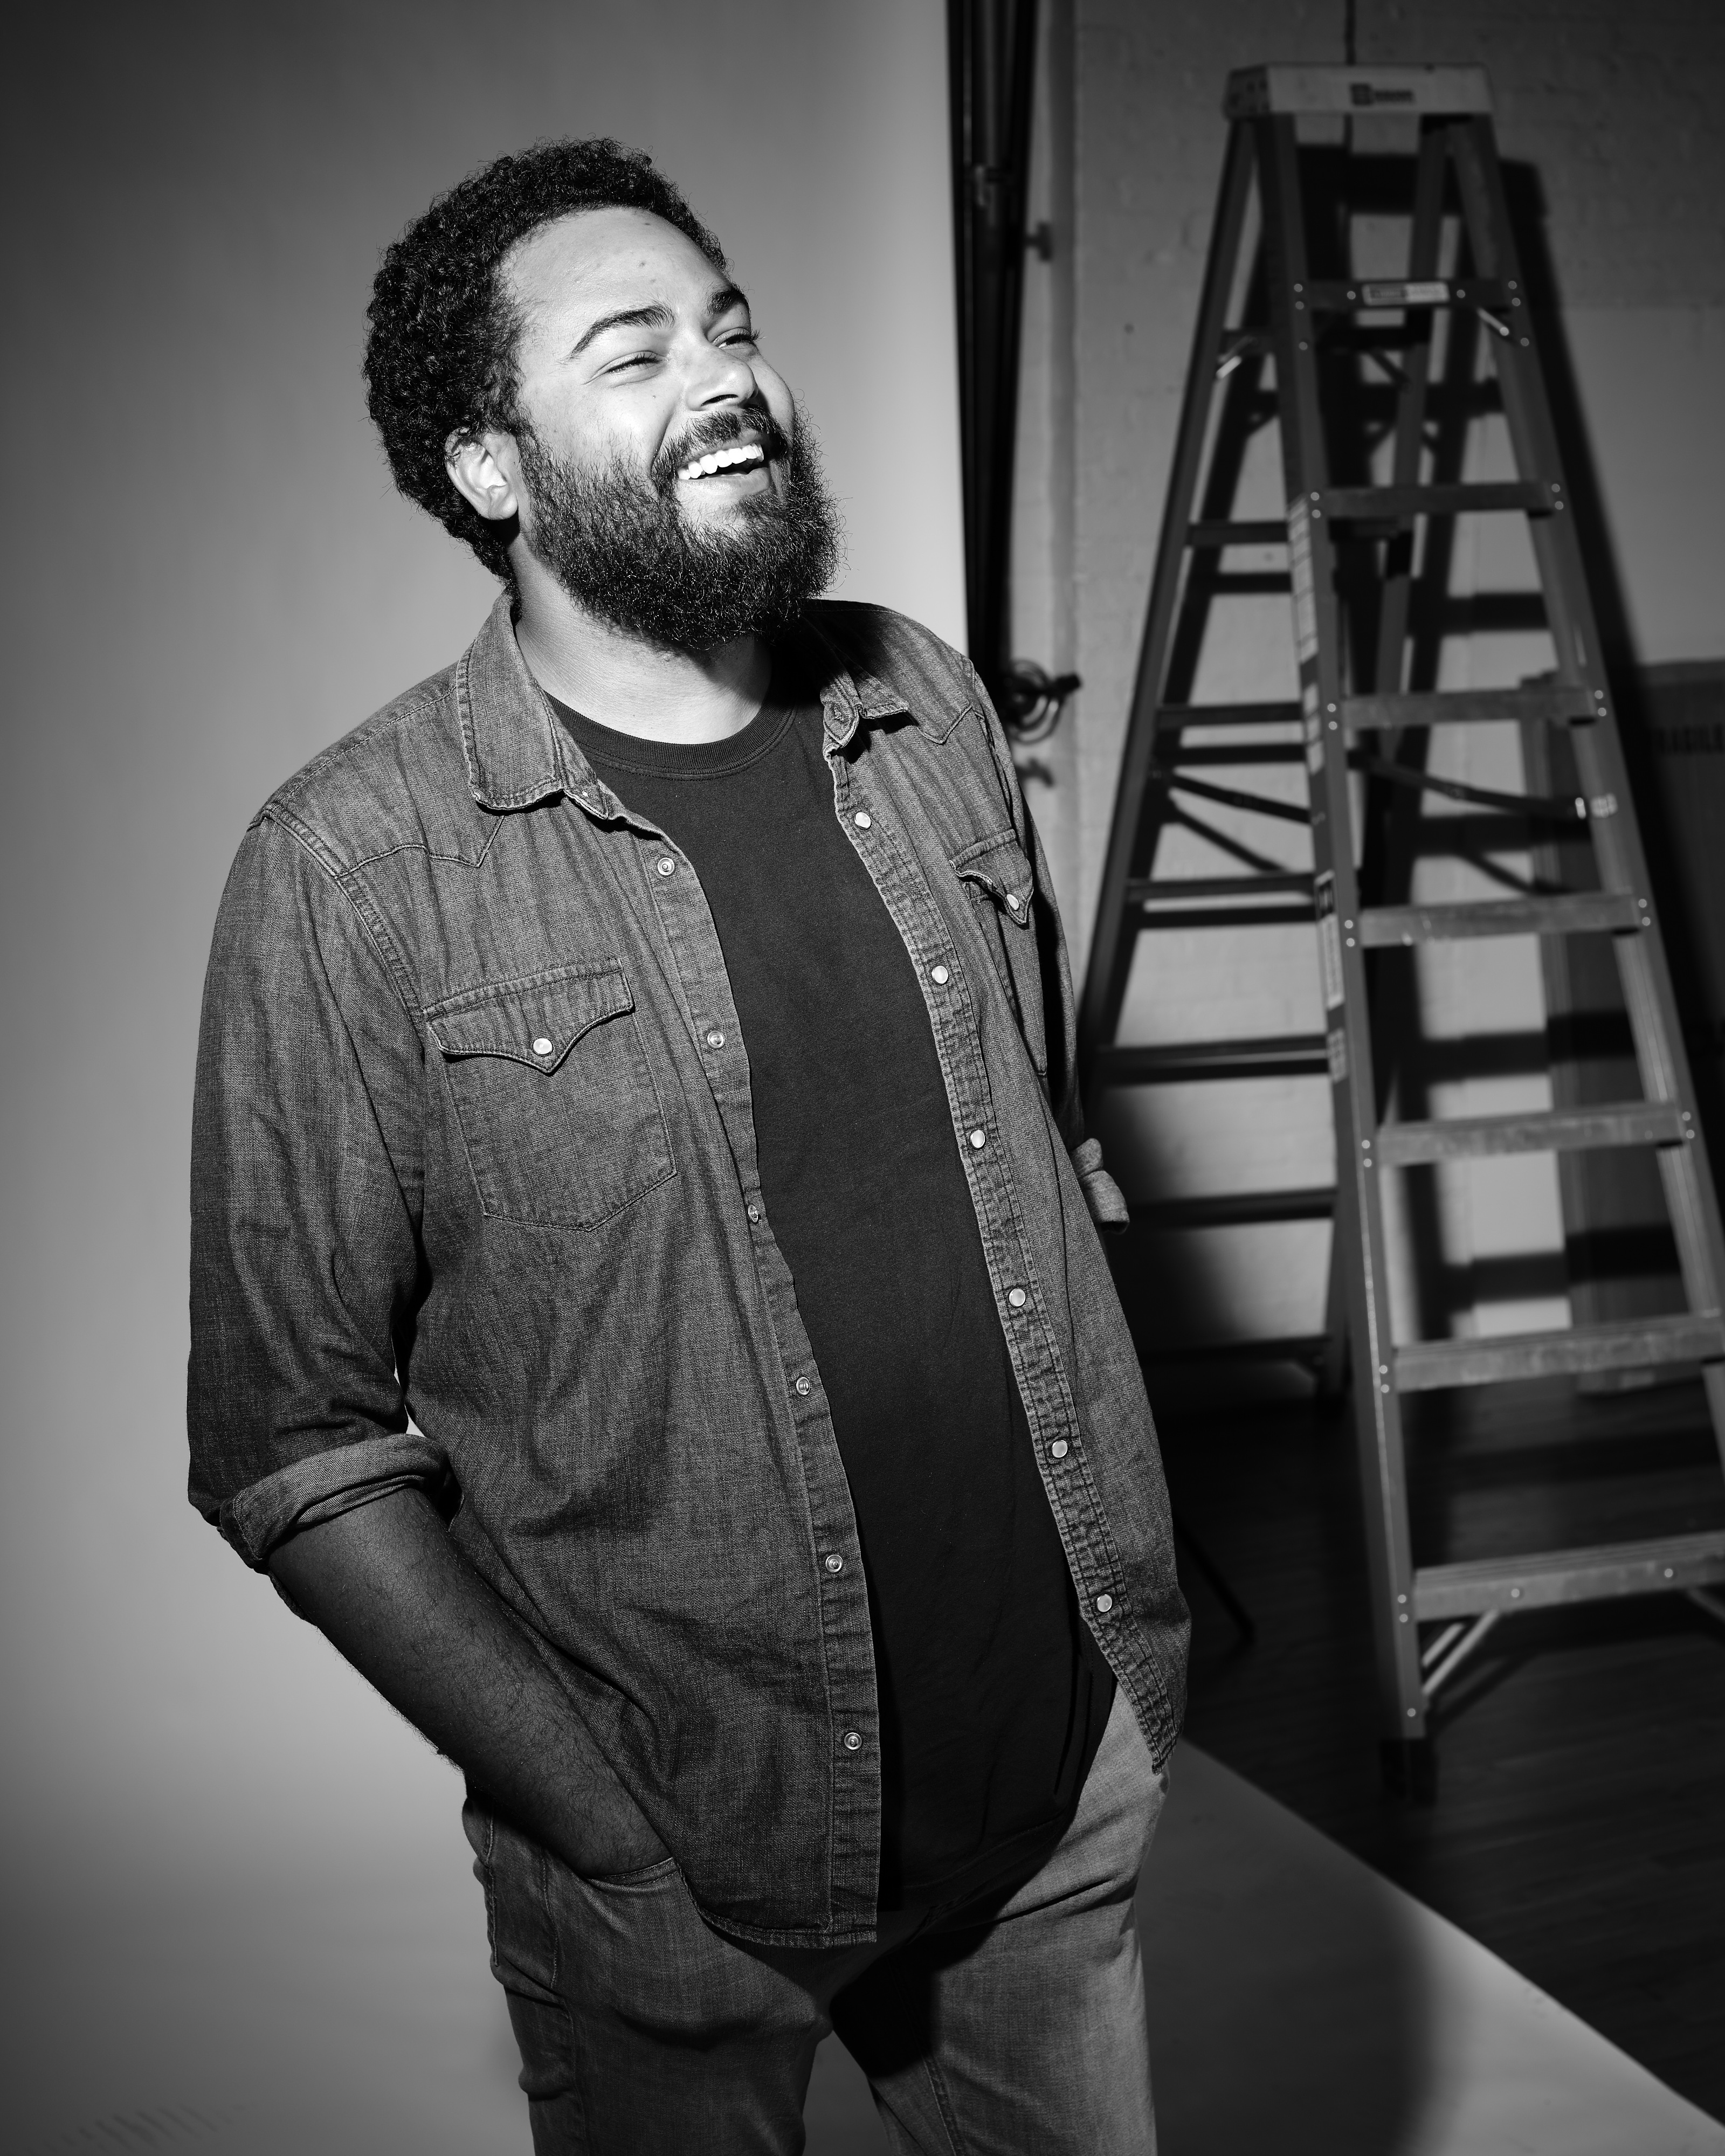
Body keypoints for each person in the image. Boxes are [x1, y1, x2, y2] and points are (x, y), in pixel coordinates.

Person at [188, 137, 1189, 2154]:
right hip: (690, 1868)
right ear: (492, 467)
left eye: (729, 326)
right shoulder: (349, 868)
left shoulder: (917, 695)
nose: (726, 375)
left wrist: (1120, 1697)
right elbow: (289, 1440)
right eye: (632, 350)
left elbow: (1026, 1152)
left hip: (1052, 1785)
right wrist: (596, 1816)